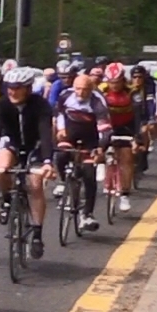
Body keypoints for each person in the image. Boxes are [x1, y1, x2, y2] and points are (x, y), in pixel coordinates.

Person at [0, 67, 57, 257]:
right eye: (9, 87)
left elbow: (45, 135)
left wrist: (47, 162)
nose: (12, 91)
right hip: (12, 143)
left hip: (34, 145)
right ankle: (7, 200)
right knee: (1, 169)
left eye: (17, 87)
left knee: (35, 185)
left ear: (28, 88)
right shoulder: (1, 104)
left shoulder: (40, 105)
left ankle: (36, 234)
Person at [55, 69, 113, 233]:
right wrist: (60, 129)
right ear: (74, 87)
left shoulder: (97, 101)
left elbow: (105, 128)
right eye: (78, 89)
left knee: (89, 174)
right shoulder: (66, 95)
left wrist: (101, 148)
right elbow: (59, 113)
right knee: (61, 155)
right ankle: (62, 181)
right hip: (69, 134)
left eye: (85, 89)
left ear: (92, 88)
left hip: (90, 138)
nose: (81, 92)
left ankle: (87, 213)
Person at [99, 63, 140, 208]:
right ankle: (102, 164)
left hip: (126, 127)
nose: (114, 86)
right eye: (111, 82)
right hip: (107, 125)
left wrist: (137, 137)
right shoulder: (101, 91)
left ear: (123, 80)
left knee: (127, 159)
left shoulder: (132, 92)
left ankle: (124, 194)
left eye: (117, 82)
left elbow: (138, 116)